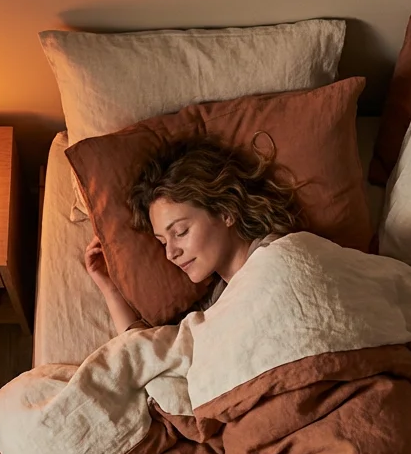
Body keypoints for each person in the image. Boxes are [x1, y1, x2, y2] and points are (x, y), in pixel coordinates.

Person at [83, 136, 303, 332]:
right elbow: (154, 353)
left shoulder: (276, 259)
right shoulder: (217, 298)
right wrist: (110, 288)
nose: (170, 253)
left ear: (226, 212)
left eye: (180, 231)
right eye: (162, 242)